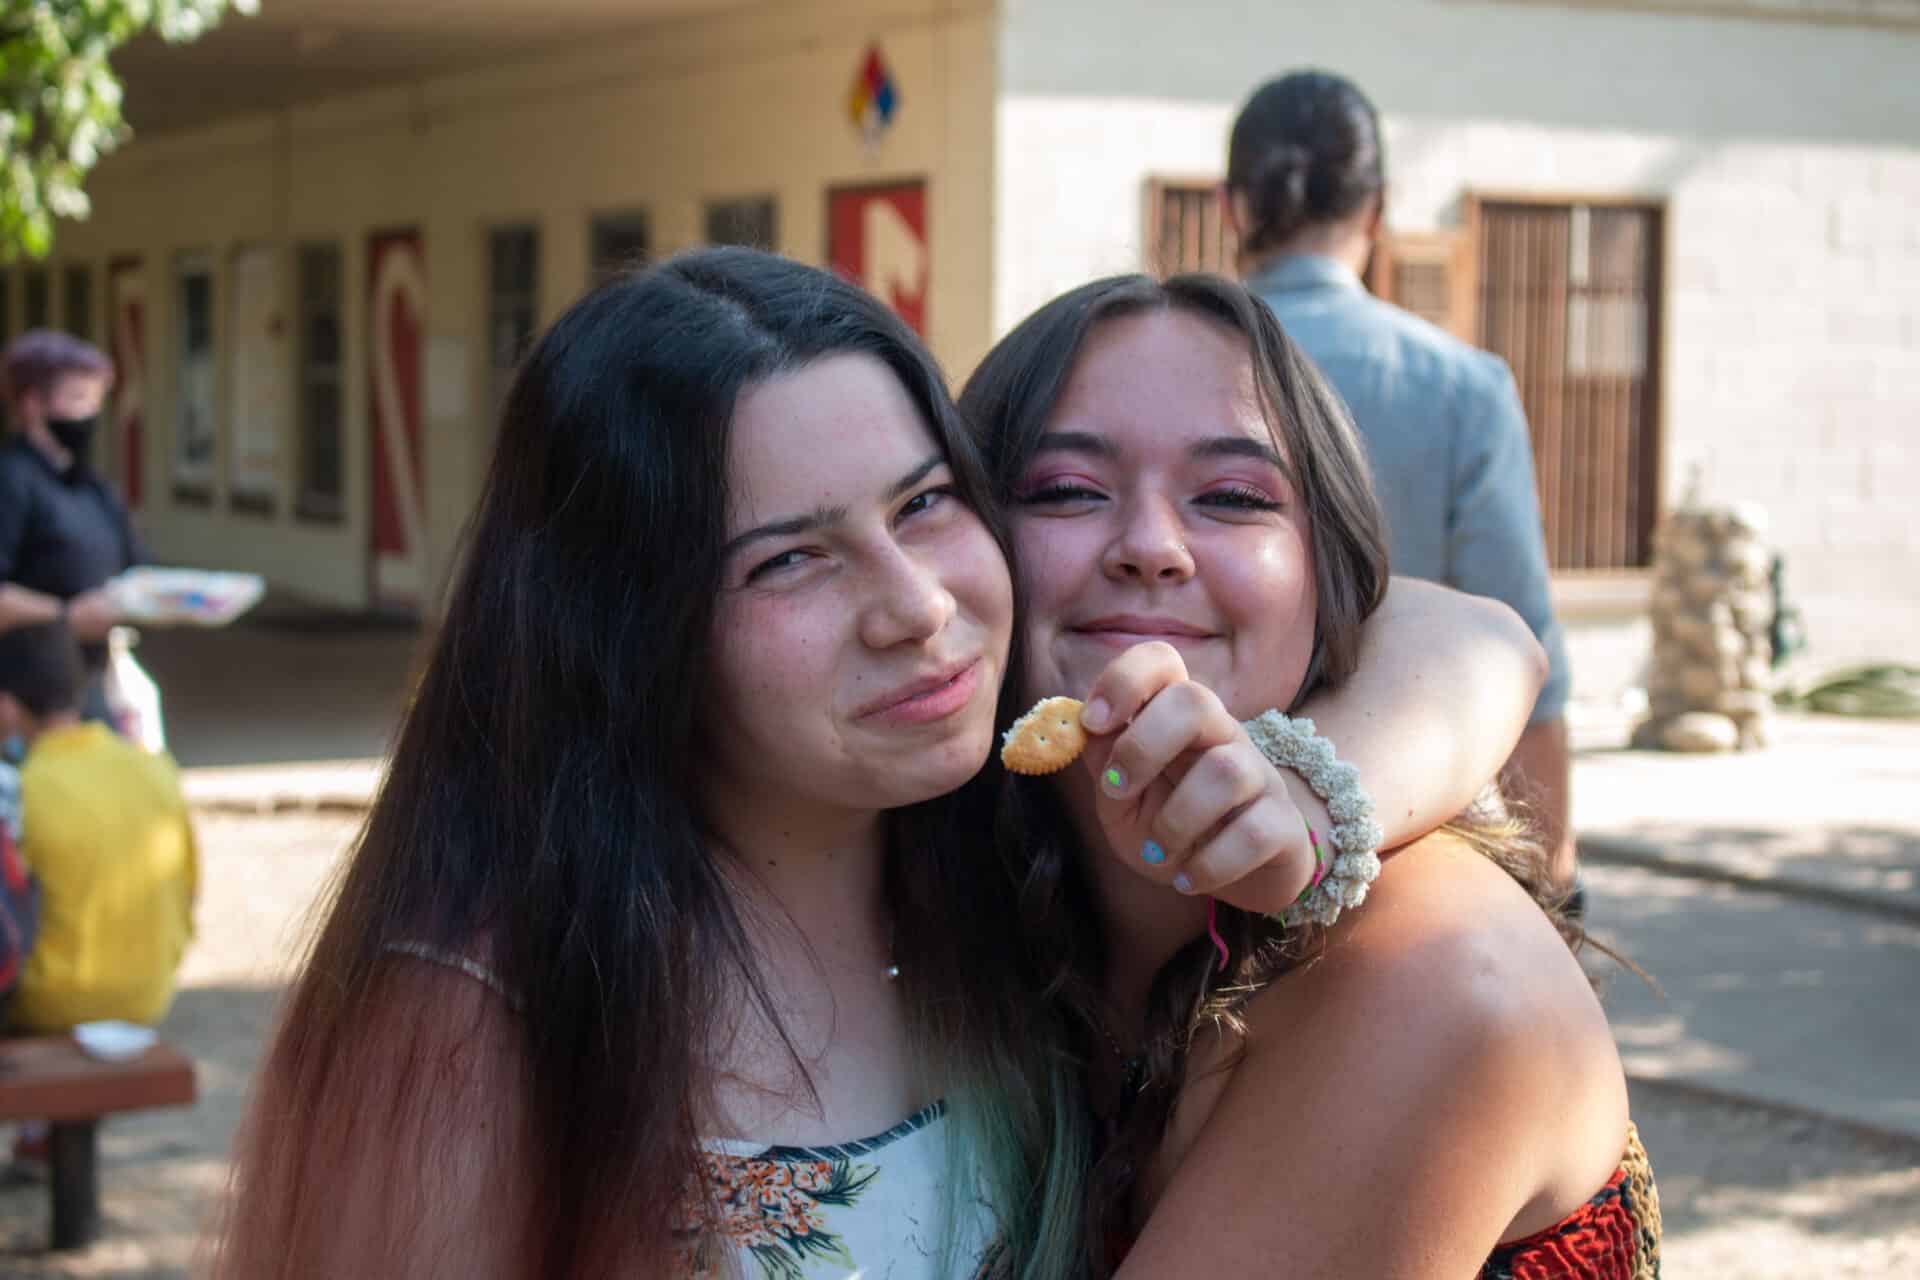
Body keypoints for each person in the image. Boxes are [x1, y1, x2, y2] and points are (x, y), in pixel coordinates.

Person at [211, 248, 1541, 1277]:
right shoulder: (483, 1020)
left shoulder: (982, 874)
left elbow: (1466, 631)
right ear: (627, 632)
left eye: (926, 505)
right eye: (789, 558)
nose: (915, 605)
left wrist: (1315, 785)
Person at [961, 273, 1658, 1277]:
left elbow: (1489, 636)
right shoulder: (956, 902)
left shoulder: (1431, 971)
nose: (1153, 547)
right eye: (1068, 489)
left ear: (1332, 576)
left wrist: (1309, 799)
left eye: (1234, 497)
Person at [1225, 70, 1582, 905]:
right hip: (1407, 840)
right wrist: (1556, 880)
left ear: (1232, 206)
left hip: (1190, 818)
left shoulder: (1157, 373)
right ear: (1377, 210)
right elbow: (1525, 651)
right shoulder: (1463, 388)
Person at [0, 621, 195, 1032]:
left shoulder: (17, 788)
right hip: (150, 991)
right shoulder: (155, 767)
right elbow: (189, 890)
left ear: (8, 706)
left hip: (46, 1002)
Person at [0, 332, 139, 688]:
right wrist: (65, 616)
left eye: (96, 402)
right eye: (78, 398)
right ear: (33, 404)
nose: (89, 415)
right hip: (25, 693)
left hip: (89, 679)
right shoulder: (12, 481)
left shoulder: (92, 487)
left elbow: (136, 567)